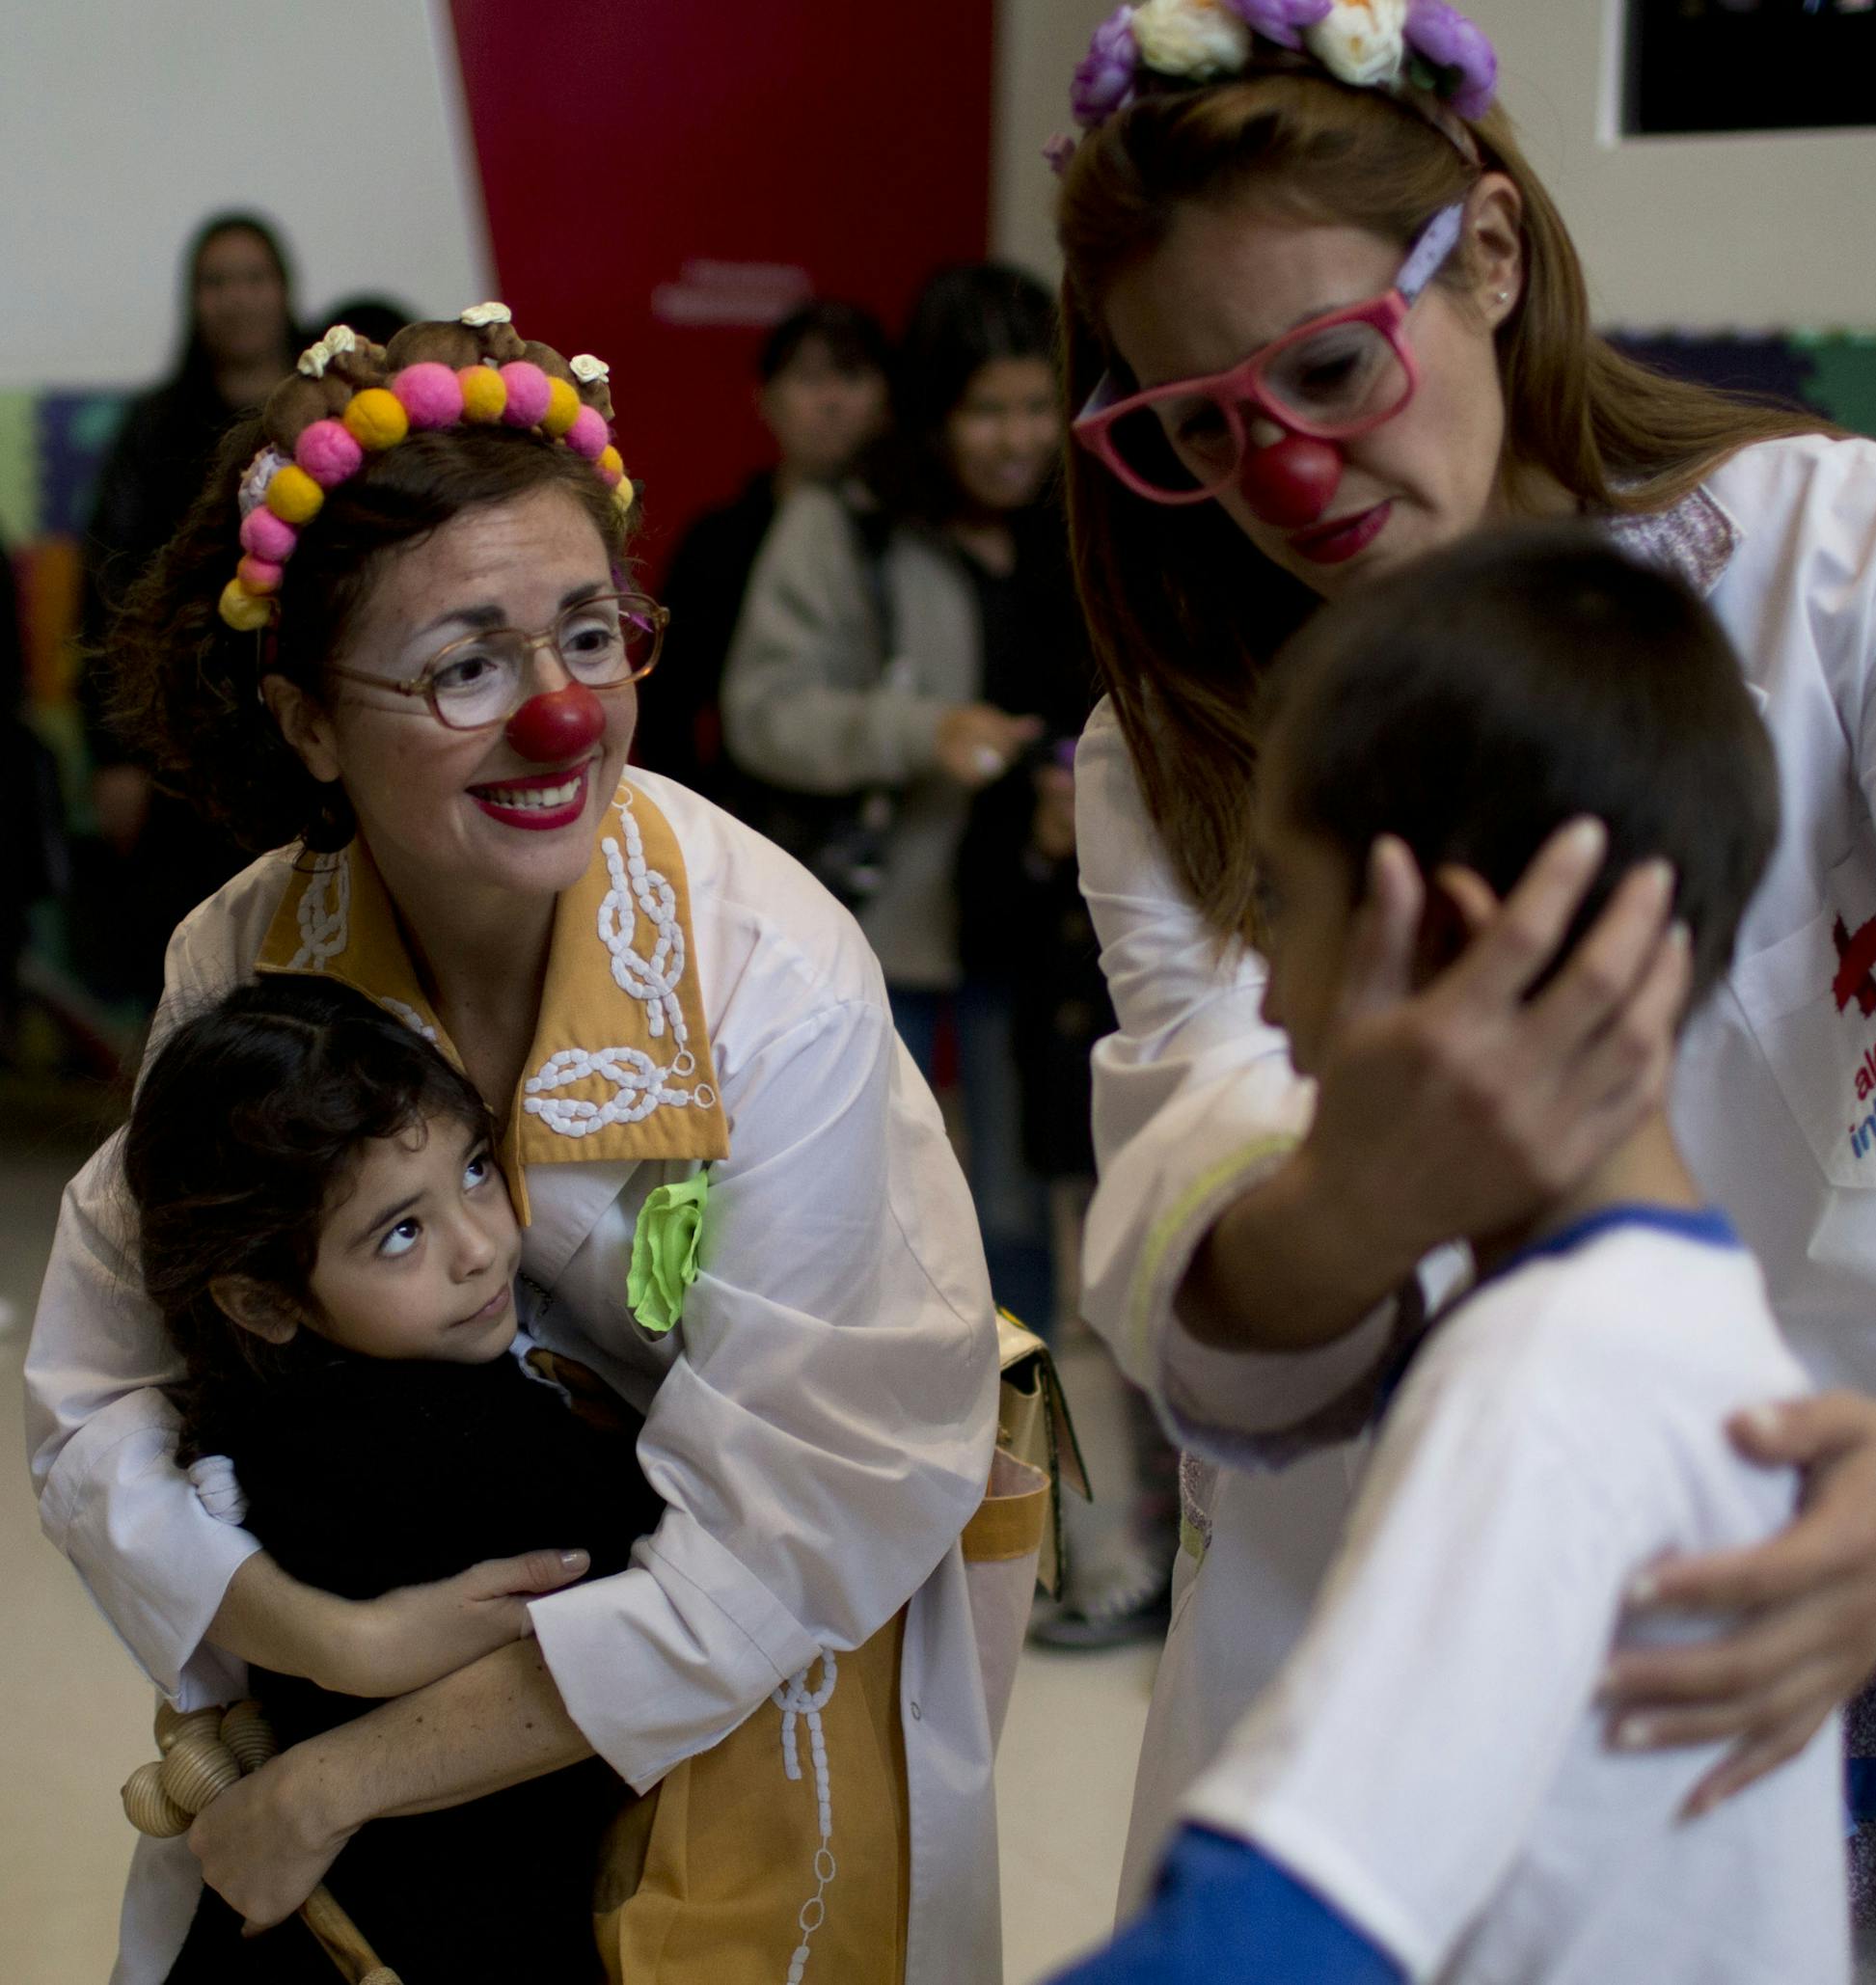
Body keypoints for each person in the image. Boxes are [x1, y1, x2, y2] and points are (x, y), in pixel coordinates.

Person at [1051, 4, 1876, 1977]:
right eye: (1199, 425)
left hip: (1874, 1508)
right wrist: (1367, 1189)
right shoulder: (1180, 738)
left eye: (1333, 366)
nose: (1286, 466)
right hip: (1435, 1556)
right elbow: (1200, 1158)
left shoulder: (1853, 554)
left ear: (1493, 255)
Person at [26, 306, 1006, 1984]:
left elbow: (774, 1544)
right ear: (313, 723)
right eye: (467, 665)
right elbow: (97, 1387)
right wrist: (328, 1640)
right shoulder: (240, 964)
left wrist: (346, 1772)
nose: (563, 719)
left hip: (719, 1704)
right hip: (348, 1661)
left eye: (590, 633)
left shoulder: (770, 983)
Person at [1057, 530, 1863, 1984]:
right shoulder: (1691, 1312)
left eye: (1282, 913)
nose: (1272, 989)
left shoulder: (1545, 1383)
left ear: (1454, 938)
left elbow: (1273, 1937)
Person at [128, 977, 659, 1982]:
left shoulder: (262, 1408)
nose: (481, 1247)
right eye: (400, 1234)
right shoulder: (442, 1442)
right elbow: (701, 1572)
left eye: (472, 1169)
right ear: (262, 1298)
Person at [723, 263, 1088, 1331]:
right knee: (874, 1216)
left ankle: (1013, 1463)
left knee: (1019, 1223)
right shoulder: (850, 526)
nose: (1018, 438)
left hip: (1037, 921)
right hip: (901, 923)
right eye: (989, 410)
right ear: (932, 410)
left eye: (1036, 407)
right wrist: (922, 732)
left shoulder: (1068, 519)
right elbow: (765, 708)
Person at [75, 212, 304, 1006]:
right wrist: (114, 756)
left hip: (305, 722)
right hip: (186, 735)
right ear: (194, 301)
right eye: (216, 282)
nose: (236, 299)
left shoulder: (333, 416)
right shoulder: (155, 429)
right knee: (198, 961)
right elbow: (109, 597)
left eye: (253, 278)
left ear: (283, 292)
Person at [644, 300, 892, 810]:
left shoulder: (908, 536)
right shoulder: (717, 539)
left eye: (851, 376)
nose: (832, 400)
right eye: (809, 378)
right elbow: (667, 703)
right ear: (764, 398)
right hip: (751, 809)